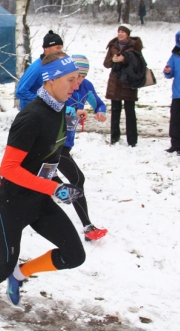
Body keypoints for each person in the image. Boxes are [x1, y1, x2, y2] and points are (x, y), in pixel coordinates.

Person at [0, 52, 86, 328]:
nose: (76, 86)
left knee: (75, 256)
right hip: (13, 203)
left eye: (78, 79)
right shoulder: (32, 116)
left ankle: (20, 274)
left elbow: (47, 152)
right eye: (71, 80)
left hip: (39, 200)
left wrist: (74, 119)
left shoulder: (59, 107)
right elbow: (9, 169)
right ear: (50, 80)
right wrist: (54, 188)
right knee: (3, 264)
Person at [57, 54, 108, 241]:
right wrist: (73, 111)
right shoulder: (61, 85)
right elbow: (53, 107)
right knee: (77, 179)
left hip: (67, 142)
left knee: (35, 173)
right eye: (76, 76)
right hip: (53, 142)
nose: (78, 81)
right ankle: (88, 227)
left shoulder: (86, 87)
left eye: (82, 76)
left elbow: (99, 103)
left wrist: (100, 112)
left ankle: (0, 178)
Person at [103, 24, 143, 147]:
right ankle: (114, 138)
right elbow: (106, 63)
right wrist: (112, 60)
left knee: (130, 112)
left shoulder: (134, 45)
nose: (120, 34)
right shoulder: (113, 45)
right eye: (119, 31)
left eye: (123, 32)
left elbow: (138, 62)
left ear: (128, 34)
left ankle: (132, 140)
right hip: (115, 82)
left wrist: (124, 59)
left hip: (128, 82)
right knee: (115, 111)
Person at [15, 31, 64, 110]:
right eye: (57, 48)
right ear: (46, 48)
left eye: (61, 48)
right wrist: (43, 101)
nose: (60, 51)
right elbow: (20, 91)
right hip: (31, 112)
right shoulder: (37, 68)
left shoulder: (55, 66)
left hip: (47, 112)